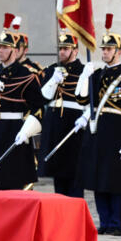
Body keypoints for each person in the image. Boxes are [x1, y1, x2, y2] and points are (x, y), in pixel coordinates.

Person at [75, 14, 121, 235]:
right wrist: (84, 78)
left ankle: (116, 224)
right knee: (98, 180)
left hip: (117, 133)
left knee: (114, 182)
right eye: (103, 49)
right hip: (97, 132)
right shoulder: (96, 75)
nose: (104, 52)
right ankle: (104, 222)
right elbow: (82, 100)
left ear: (118, 52)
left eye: (109, 49)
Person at [0, 13, 46, 191]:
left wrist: (27, 131)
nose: (0, 51)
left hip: (14, 129)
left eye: (5, 48)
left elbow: (38, 108)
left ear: (15, 50)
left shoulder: (26, 75)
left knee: (13, 177)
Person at [37, 27, 86, 198]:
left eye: (66, 48)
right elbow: (43, 97)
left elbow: (88, 100)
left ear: (75, 50)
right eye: (60, 48)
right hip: (55, 125)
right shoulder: (52, 70)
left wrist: (86, 117)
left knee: (74, 174)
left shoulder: (83, 71)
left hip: (74, 125)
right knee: (58, 174)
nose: (62, 52)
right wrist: (53, 81)